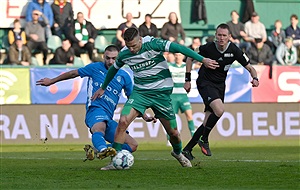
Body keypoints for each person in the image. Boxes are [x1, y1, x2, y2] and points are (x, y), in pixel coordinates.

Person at [91, 27, 217, 169]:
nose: (132, 50)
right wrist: (103, 87)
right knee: (123, 121)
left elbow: (179, 48)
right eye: (128, 46)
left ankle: (177, 153)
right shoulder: (124, 54)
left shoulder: (153, 44)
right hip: (141, 93)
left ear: (140, 39)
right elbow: (114, 68)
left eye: (134, 46)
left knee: (174, 133)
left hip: (161, 95)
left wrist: (203, 59)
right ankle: (115, 160)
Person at [36, 45, 156, 170]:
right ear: (104, 56)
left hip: (108, 117)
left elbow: (132, 99)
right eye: (108, 58)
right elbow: (73, 73)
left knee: (132, 145)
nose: (110, 61)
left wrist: (144, 115)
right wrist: (52, 81)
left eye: (114, 58)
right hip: (95, 109)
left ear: (119, 58)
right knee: (100, 128)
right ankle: (103, 149)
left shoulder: (124, 76)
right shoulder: (95, 68)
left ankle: (102, 152)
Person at [182, 23, 259, 160]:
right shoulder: (208, 47)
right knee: (219, 110)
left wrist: (255, 78)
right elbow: (189, 57)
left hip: (219, 86)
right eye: (219, 35)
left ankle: (187, 150)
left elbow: (250, 68)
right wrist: (187, 79)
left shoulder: (234, 50)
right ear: (215, 35)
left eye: (224, 35)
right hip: (205, 83)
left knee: (207, 121)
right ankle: (204, 139)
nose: (221, 38)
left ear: (229, 37)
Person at [166, 53, 198, 145]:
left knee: (189, 116)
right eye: (176, 55)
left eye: (179, 55)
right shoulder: (170, 66)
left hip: (183, 95)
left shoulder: (186, 66)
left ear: (183, 57)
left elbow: (198, 64)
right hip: (173, 95)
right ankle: (169, 139)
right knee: (171, 118)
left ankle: (193, 137)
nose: (177, 57)